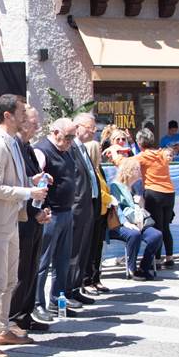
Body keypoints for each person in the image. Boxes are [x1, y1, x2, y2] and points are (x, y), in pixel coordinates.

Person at [0, 94, 48, 357]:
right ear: (7, 115)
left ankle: (1, 328)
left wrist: (32, 180)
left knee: (10, 280)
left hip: (11, 220)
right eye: (20, 112)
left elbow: (12, 181)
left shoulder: (13, 144)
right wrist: (29, 191)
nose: (25, 116)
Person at [9, 105, 54, 329]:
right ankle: (14, 317)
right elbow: (15, 185)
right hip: (22, 218)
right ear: (23, 122)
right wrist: (33, 211)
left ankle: (25, 314)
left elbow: (31, 179)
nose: (37, 127)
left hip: (34, 215)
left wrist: (42, 209)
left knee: (31, 268)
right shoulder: (14, 146)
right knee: (21, 270)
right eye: (35, 123)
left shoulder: (27, 147)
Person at [32, 117, 78, 320]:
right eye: (67, 136)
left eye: (72, 137)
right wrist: (40, 210)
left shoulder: (66, 150)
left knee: (62, 261)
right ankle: (37, 303)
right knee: (43, 262)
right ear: (55, 132)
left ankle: (57, 301)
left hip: (66, 211)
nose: (70, 141)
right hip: (51, 214)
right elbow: (36, 179)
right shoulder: (42, 150)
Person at [107, 157, 163, 280]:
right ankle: (132, 269)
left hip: (138, 221)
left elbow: (141, 209)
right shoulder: (115, 186)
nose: (140, 171)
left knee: (156, 235)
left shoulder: (136, 187)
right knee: (134, 234)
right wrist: (125, 222)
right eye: (137, 169)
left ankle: (144, 266)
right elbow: (116, 207)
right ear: (129, 170)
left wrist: (141, 202)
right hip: (120, 223)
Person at [66, 113, 100, 306]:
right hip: (77, 208)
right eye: (90, 128)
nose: (93, 131)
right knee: (74, 251)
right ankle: (68, 289)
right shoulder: (72, 148)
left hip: (88, 206)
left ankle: (76, 287)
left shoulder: (83, 148)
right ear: (77, 127)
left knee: (83, 250)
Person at [132, 128, 176, 269]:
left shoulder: (143, 156)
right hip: (169, 192)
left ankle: (156, 260)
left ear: (140, 143)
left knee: (156, 227)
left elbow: (127, 163)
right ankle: (169, 257)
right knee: (166, 227)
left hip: (154, 192)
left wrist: (115, 154)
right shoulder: (161, 153)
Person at [82, 126, 113, 294]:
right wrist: (110, 199)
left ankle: (96, 278)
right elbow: (97, 191)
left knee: (97, 249)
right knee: (90, 249)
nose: (101, 152)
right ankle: (87, 279)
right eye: (99, 150)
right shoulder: (89, 170)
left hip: (102, 213)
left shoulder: (99, 169)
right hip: (93, 212)